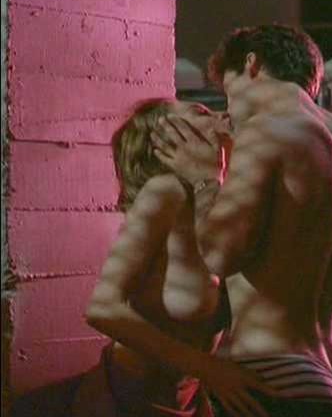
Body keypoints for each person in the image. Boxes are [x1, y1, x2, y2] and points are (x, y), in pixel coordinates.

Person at [151, 25, 332, 417]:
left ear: (251, 63)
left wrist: (204, 179)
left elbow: (220, 255)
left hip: (271, 367)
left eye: (230, 94)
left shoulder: (265, 130)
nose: (230, 111)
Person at [84, 98, 272, 417]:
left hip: (188, 398)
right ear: (166, 139)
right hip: (131, 399)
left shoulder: (215, 202)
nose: (223, 114)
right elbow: (101, 309)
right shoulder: (163, 192)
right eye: (200, 112)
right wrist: (209, 368)